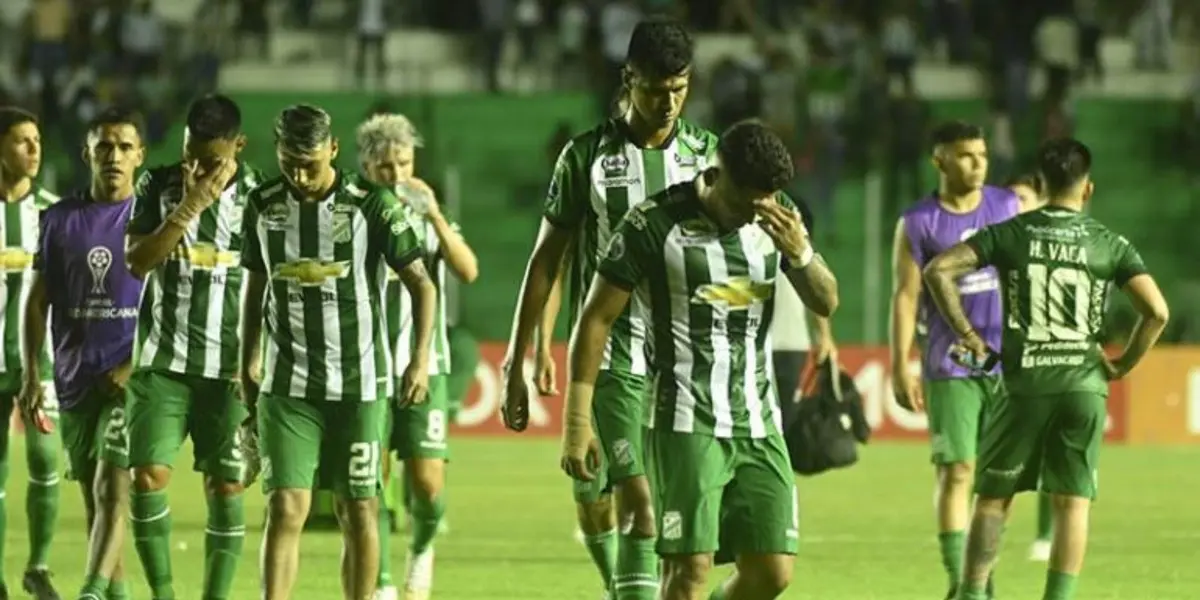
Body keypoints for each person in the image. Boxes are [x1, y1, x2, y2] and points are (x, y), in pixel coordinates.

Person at [560, 121, 837, 600]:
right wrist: (577, 419)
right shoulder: (654, 223)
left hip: (758, 420)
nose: (757, 214)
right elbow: (596, 318)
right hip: (683, 421)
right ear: (718, 172)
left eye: (766, 201)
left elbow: (827, 300)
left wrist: (802, 253)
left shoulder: (776, 216)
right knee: (688, 572)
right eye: (747, 201)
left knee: (773, 572)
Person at [501, 18, 717, 599]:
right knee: (632, 502)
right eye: (655, 88)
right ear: (629, 79)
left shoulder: (707, 157)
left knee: (650, 509)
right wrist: (519, 360)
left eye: (680, 87)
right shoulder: (587, 156)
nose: (669, 101)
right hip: (614, 351)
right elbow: (548, 260)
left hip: (684, 360)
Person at [923, 138, 1170, 600]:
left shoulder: (1011, 233)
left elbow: (938, 270)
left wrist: (968, 335)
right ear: (1088, 189)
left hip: (1024, 384)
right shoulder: (1110, 244)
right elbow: (1156, 312)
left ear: (1042, 183)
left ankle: (973, 594)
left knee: (993, 499)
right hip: (1084, 385)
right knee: (1072, 502)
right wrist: (1121, 366)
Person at [239, 104, 437, 600]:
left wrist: (418, 358)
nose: (301, 175)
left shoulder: (371, 205)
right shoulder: (261, 204)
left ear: (333, 149)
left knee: (360, 508)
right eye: (289, 162)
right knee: (285, 507)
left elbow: (422, 284)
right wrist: (248, 356)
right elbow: (255, 285)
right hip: (287, 387)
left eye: (310, 162)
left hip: (360, 385)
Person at [122, 94, 264, 600]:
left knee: (226, 487)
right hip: (163, 362)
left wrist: (258, 359)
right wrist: (189, 206)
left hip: (227, 369)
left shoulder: (260, 197)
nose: (197, 168)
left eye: (211, 160)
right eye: (191, 155)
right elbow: (136, 261)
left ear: (239, 147)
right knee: (147, 476)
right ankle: (163, 594)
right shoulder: (156, 184)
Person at [888, 121, 1018, 600]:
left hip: (1006, 364)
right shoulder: (918, 222)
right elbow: (905, 296)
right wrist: (901, 361)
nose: (978, 163)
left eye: (982, 154)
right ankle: (960, 582)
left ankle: (981, 574)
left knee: (1001, 479)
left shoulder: (1005, 206)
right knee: (958, 470)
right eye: (965, 155)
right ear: (939, 160)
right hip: (951, 363)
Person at [21, 106, 146, 600]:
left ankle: (88, 595)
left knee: (113, 489)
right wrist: (34, 373)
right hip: (74, 378)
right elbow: (37, 300)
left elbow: (169, 305)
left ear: (139, 156)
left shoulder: (151, 220)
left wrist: (134, 365)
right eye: (103, 146)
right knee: (96, 510)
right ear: (87, 153)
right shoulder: (59, 220)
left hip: (129, 381)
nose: (113, 156)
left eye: (123, 147)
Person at [355, 112, 480, 600]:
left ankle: (421, 552)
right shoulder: (350, 212)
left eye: (403, 163)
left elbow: (467, 270)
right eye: (385, 166)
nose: (396, 175)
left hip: (428, 363)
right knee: (371, 479)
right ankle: (383, 581)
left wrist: (433, 216)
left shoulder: (426, 209)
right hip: (366, 367)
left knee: (428, 483)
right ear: (366, 166)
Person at [0, 107, 62, 600]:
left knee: (45, 458)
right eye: (23, 141)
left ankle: (38, 567)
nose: (34, 149)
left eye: (37, 140)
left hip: (39, 366)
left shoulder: (52, 212)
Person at [1004, 171, 1056, 562]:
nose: (1015, 206)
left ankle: (1045, 534)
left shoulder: (1056, 247)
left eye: (1022, 198)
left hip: (1049, 361)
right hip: (1005, 361)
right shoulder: (1000, 244)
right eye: (1011, 198)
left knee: (1049, 453)